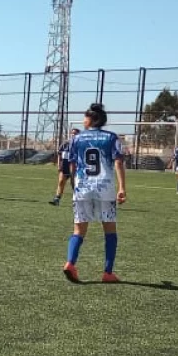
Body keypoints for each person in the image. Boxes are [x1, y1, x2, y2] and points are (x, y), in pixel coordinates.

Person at [63, 103, 127, 284]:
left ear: (93, 119)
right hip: (105, 189)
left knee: (79, 230)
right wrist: (122, 188)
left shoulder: (76, 139)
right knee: (110, 231)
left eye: (85, 116)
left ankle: (70, 263)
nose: (83, 120)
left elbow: (72, 165)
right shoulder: (111, 138)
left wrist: (74, 185)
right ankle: (108, 272)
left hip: (82, 188)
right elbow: (118, 163)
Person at [49, 128, 80, 205]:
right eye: (72, 133)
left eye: (75, 133)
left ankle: (77, 199)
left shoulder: (80, 145)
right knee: (61, 182)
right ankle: (57, 199)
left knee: (74, 184)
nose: (73, 135)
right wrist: (59, 164)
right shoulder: (65, 143)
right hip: (65, 165)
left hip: (75, 166)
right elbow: (59, 154)